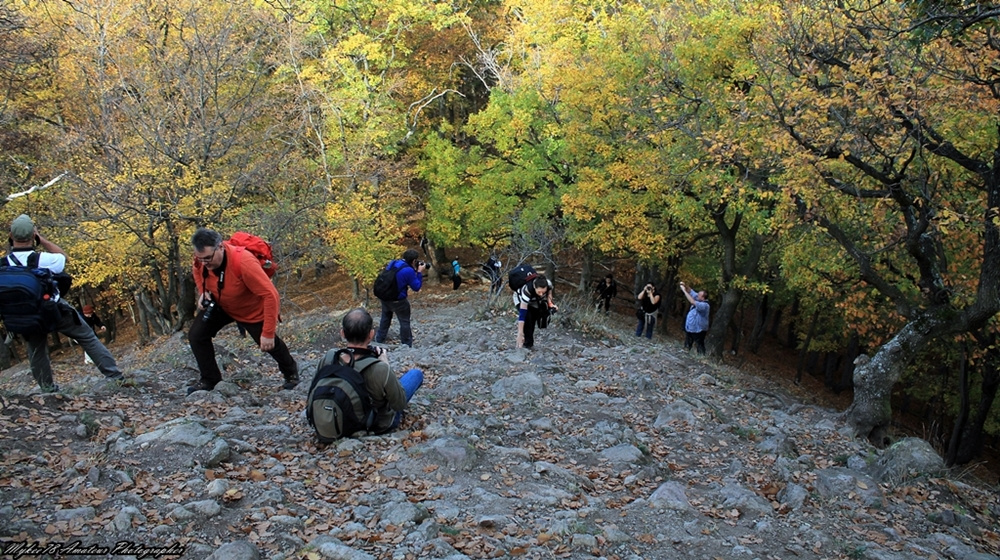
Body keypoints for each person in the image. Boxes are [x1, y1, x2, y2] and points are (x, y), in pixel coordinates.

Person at [3, 214, 124, 392]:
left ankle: (47, 389)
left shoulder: (3, 264)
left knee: (36, 350)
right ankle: (115, 377)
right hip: (56, 310)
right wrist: (42, 239)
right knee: (87, 337)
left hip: (26, 316)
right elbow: (63, 257)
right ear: (33, 236)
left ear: (11, 237)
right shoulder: (44, 259)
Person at [188, 228, 299, 394]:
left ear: (220, 247)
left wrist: (268, 332)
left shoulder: (243, 261)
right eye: (200, 259)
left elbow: (271, 295)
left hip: (250, 310)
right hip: (221, 305)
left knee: (269, 344)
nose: (205, 263)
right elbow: (197, 270)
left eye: (208, 258)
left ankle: (291, 372)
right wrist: (202, 291)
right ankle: (210, 379)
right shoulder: (202, 259)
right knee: (196, 335)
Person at [331, 307, 423, 433]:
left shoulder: (330, 357)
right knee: (415, 374)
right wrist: (385, 363)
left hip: (335, 422)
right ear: (371, 334)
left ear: (342, 333)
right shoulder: (380, 368)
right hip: (375, 424)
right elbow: (399, 404)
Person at [375, 249, 427, 347]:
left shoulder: (393, 263)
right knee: (404, 321)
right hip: (399, 301)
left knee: (385, 319)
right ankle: (406, 345)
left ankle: (379, 340)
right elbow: (416, 287)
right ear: (414, 261)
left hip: (385, 297)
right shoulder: (408, 271)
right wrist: (419, 272)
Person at [513, 275, 558, 349]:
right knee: (527, 318)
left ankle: (529, 342)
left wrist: (550, 304)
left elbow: (549, 293)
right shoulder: (527, 290)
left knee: (534, 318)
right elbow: (522, 315)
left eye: (543, 292)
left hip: (535, 300)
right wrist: (520, 333)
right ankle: (526, 344)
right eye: (539, 292)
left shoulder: (548, 284)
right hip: (520, 299)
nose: (541, 294)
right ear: (534, 287)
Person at [681, 280, 710, 354]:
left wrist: (684, 291)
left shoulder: (705, 305)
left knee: (699, 344)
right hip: (691, 328)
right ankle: (686, 353)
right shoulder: (699, 298)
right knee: (688, 342)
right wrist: (685, 285)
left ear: (703, 298)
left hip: (699, 329)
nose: (697, 296)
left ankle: (702, 357)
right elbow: (691, 291)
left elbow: (692, 301)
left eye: (699, 295)